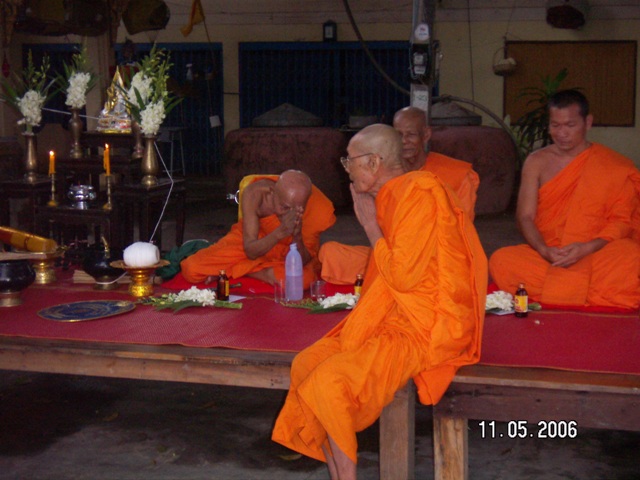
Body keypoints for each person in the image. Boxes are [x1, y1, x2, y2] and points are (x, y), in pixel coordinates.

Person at [272, 124, 487, 479]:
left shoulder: (419, 192)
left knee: (329, 382)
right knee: (306, 364)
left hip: (423, 326)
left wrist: (371, 227)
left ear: (373, 163)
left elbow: (403, 277)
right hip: (391, 314)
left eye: (350, 161)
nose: (346, 169)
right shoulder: (394, 195)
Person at [489, 89, 640, 308]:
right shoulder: (536, 162)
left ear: (588, 122)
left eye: (570, 125)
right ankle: (590, 294)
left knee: (630, 255)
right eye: (555, 125)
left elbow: (622, 222)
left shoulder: (615, 166)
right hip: (551, 254)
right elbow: (525, 217)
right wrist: (544, 250)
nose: (562, 133)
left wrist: (586, 248)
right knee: (502, 260)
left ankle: (558, 292)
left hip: (596, 253)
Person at [319, 105, 480, 285]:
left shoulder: (451, 177)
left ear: (426, 135)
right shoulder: (384, 178)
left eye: (411, 135)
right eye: (398, 135)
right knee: (331, 253)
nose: (404, 141)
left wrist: (371, 225)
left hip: (433, 265)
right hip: (397, 256)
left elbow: (459, 238)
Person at [180, 170, 336, 287]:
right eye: (284, 207)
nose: (290, 214)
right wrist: (280, 232)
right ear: (272, 192)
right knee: (192, 269)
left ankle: (239, 270)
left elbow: (302, 261)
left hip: (286, 252)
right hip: (255, 243)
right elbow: (250, 250)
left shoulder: (316, 207)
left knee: (301, 280)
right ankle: (259, 271)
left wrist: (297, 235)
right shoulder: (256, 195)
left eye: (297, 209)